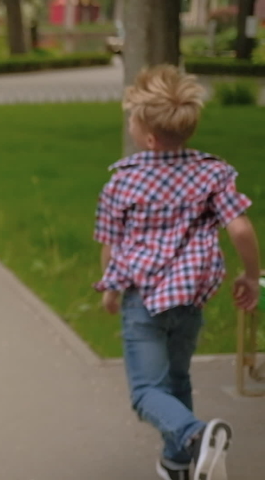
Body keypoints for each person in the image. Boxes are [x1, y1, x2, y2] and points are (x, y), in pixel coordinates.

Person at [93, 65, 261, 480]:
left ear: (148, 136)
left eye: (131, 120)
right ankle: (178, 463)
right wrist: (250, 275)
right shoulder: (213, 173)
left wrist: (110, 289)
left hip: (144, 302)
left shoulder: (122, 182)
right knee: (177, 378)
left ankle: (195, 435)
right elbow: (240, 228)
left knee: (146, 392)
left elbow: (110, 244)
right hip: (189, 300)